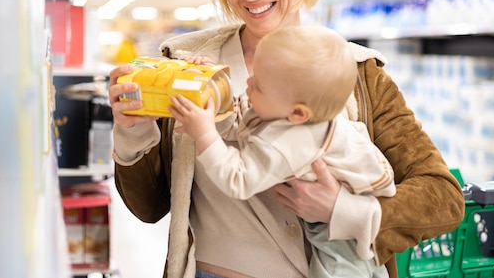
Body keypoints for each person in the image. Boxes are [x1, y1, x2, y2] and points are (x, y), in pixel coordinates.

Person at [108, 0, 465, 278]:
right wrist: (133, 130)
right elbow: (150, 207)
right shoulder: (187, 68)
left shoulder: (357, 73)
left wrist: (340, 210)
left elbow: (442, 198)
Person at [167, 25, 396, 278]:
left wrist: (204, 133)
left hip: (342, 238)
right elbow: (239, 126)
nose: (249, 82)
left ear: (298, 113)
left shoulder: (291, 141)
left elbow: (238, 179)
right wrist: (211, 82)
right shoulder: (289, 110)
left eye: (260, 86)